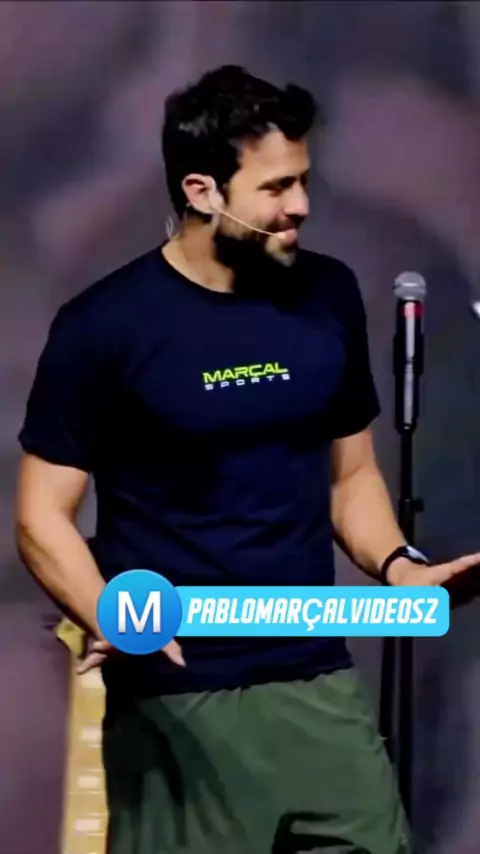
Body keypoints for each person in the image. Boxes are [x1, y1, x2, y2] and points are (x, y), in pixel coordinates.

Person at [14, 65, 480, 854]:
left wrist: (400, 567)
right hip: (178, 694)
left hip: (319, 685)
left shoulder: (328, 293)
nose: (300, 205)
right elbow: (40, 516)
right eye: (275, 188)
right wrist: (106, 614)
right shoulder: (105, 324)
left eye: (303, 181)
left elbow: (351, 477)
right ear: (202, 191)